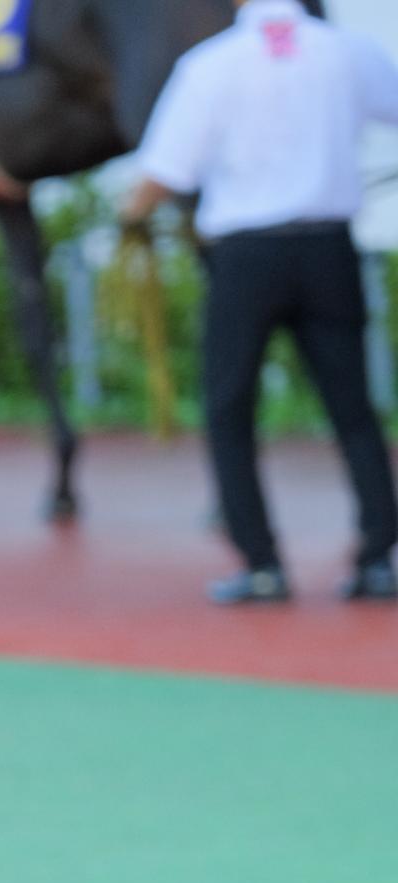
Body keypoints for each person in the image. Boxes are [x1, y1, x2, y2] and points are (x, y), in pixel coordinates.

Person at [121, 0, 398, 607]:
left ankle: (263, 565)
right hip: (329, 249)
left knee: (229, 409)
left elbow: (166, 170)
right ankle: (381, 557)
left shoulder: (210, 64)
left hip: (246, 259)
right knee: (352, 407)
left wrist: (130, 212)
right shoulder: (344, 50)